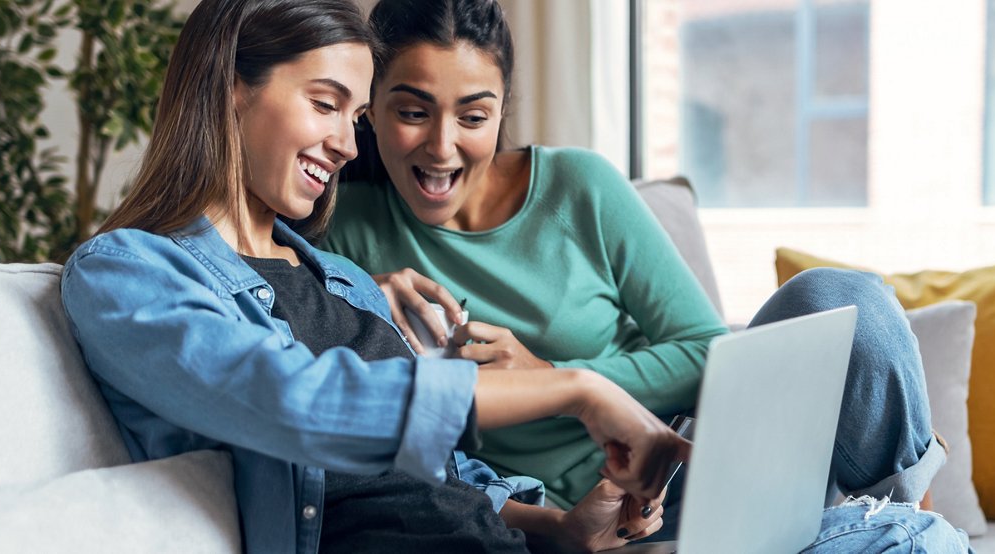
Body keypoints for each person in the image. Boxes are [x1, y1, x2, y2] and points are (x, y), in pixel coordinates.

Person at [324, 0, 971, 550]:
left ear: (501, 112)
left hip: (681, 465)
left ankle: (909, 515)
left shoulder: (579, 188)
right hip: (579, 516)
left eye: (472, 116)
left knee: (843, 298)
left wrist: (555, 380)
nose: (442, 147)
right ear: (368, 108)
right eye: (412, 111)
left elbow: (703, 347)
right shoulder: (338, 234)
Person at [58, 0, 690, 552]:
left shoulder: (348, 281)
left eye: (353, 115)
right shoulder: (126, 270)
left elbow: (444, 477)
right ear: (229, 87)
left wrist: (561, 527)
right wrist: (575, 390)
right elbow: (298, 404)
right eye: (325, 104)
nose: (348, 145)